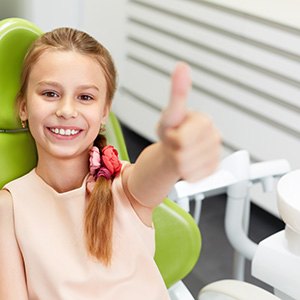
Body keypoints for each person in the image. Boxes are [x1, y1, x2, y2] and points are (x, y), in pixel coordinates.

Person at [0, 27, 220, 300]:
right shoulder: (10, 206)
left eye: (85, 97)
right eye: (50, 94)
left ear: (104, 113)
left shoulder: (124, 186)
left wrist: (172, 152)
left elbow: (155, 170)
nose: (66, 110)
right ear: (23, 107)